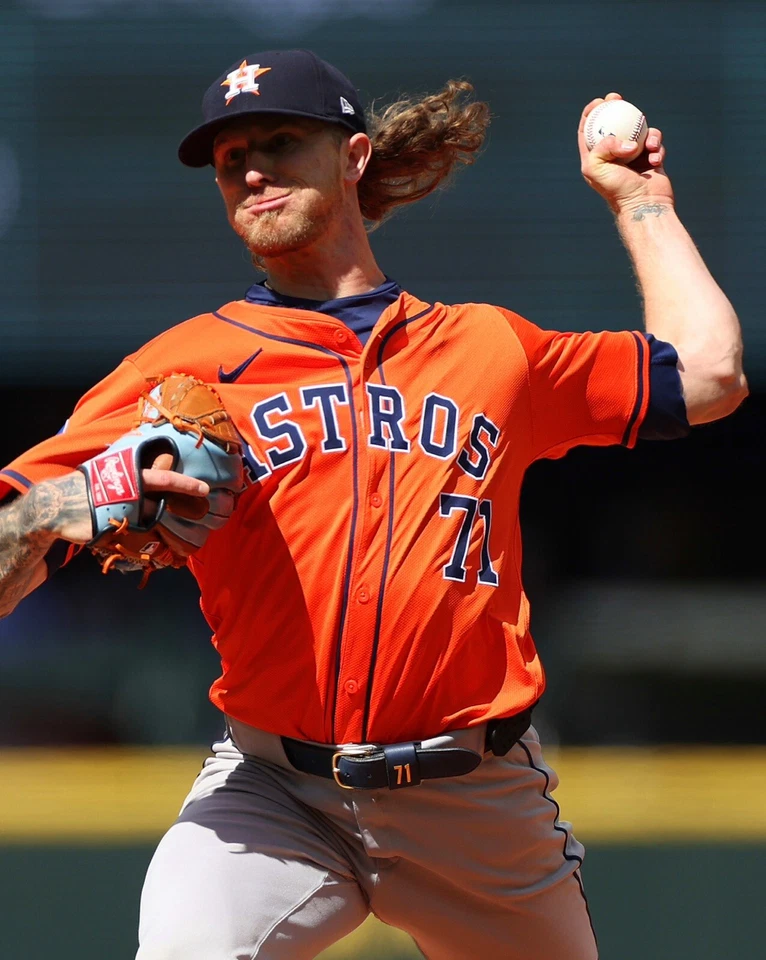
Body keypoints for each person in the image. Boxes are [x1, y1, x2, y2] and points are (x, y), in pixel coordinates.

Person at [0, 48, 747, 960]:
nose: (253, 171)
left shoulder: (489, 349)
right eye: (231, 159)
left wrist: (641, 202)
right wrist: (61, 505)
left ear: (354, 156)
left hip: (478, 797)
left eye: (281, 142)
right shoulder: (181, 367)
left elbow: (708, 374)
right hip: (273, 795)